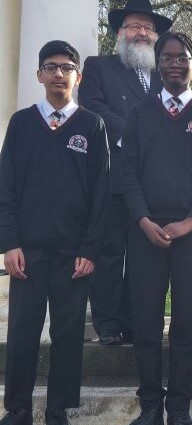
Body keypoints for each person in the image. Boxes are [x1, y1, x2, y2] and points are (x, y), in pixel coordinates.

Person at [0, 40, 110, 425]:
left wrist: (90, 249)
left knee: (67, 335)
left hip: (73, 254)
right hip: (27, 252)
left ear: (78, 76)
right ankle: (16, 408)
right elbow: (6, 186)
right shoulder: (21, 124)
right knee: (23, 333)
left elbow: (101, 196)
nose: (58, 73)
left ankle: (58, 408)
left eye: (66, 67)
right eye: (51, 67)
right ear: (40, 75)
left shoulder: (93, 126)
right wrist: (9, 242)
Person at [122, 32, 192, 425]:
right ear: (157, 63)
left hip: (191, 234)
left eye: (182, 57)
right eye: (166, 57)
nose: (174, 64)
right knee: (147, 322)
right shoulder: (139, 113)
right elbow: (128, 172)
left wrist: (191, 220)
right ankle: (150, 404)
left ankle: (179, 406)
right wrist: (143, 219)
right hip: (146, 231)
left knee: (186, 322)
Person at [79, 0, 172, 346]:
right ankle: (108, 324)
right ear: (120, 31)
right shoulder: (99, 67)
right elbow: (93, 108)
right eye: (135, 26)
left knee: (144, 257)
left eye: (148, 28)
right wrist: (136, 137)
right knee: (110, 251)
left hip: (152, 182)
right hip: (114, 175)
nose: (142, 33)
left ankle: (137, 322)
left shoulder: (165, 74)